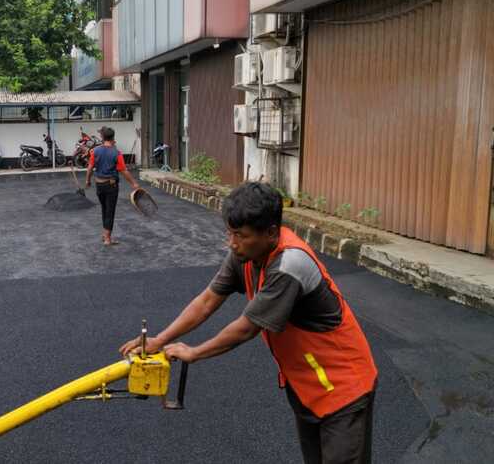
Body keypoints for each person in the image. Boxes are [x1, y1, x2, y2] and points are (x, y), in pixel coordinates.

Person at [119, 182, 378, 464]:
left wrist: (194, 352)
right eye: (230, 233)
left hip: (343, 387)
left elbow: (246, 328)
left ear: (270, 233)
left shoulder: (289, 265)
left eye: (240, 235)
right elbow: (207, 301)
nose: (232, 242)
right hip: (307, 384)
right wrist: (160, 339)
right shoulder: (244, 253)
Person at [84, 126, 140, 246]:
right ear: (113, 137)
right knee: (110, 211)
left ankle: (105, 234)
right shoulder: (116, 153)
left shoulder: (95, 151)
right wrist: (134, 183)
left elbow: (89, 169)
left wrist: (88, 181)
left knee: (104, 209)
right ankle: (108, 239)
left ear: (102, 137)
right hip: (111, 186)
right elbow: (124, 171)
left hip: (99, 185)